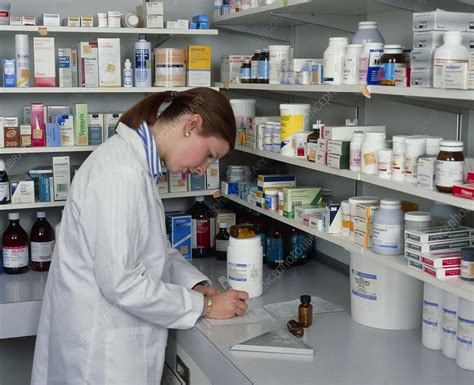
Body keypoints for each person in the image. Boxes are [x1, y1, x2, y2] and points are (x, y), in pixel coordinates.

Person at [31, 88, 249, 385]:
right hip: (99, 360)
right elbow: (121, 283)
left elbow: (154, 247)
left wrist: (196, 285)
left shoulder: (138, 167)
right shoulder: (122, 173)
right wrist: (205, 307)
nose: (202, 169)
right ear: (191, 125)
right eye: (209, 154)